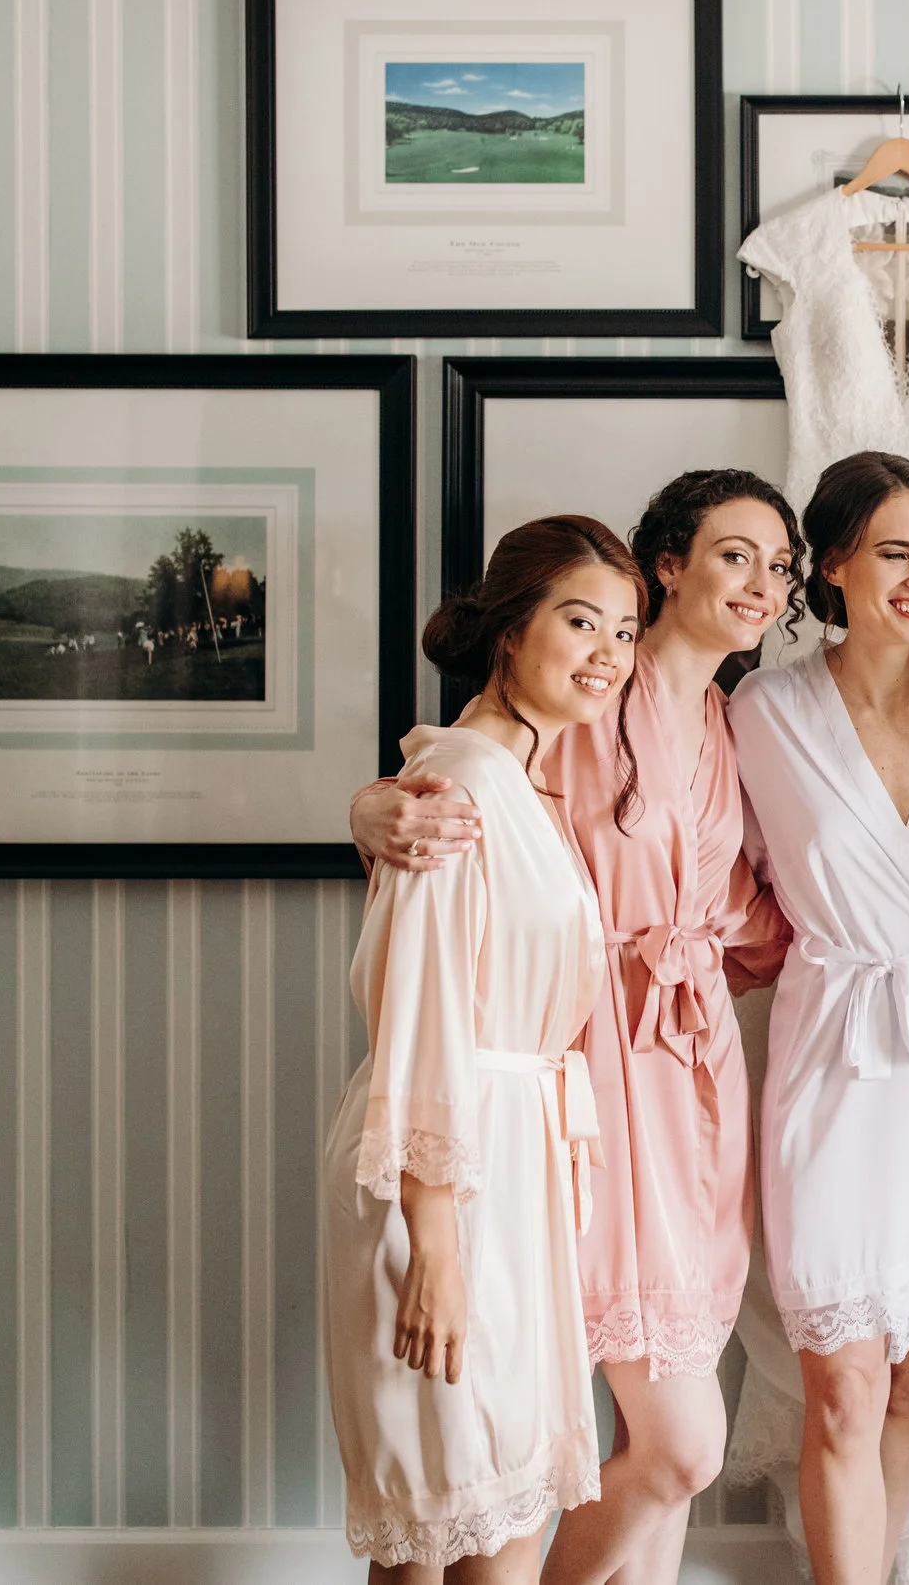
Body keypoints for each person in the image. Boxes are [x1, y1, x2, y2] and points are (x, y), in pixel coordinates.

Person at [350, 473, 803, 1585]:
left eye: (780, 565)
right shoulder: (587, 709)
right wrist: (372, 806)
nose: (762, 583)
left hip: (685, 1079)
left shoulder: (733, 719)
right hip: (574, 1074)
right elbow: (459, 805)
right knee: (633, 1449)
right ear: (668, 563)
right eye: (735, 554)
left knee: (598, 1459)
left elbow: (749, 904)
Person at [320, 515, 646, 1582]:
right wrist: (437, 1246)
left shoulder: (516, 776)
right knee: (457, 1520)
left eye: (625, 631)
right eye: (581, 621)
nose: (607, 651)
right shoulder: (458, 786)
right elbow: (421, 1018)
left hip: (512, 1169)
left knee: (464, 1519)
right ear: (511, 630)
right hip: (449, 1175)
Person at [723, 451, 909, 1585]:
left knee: (906, 1382)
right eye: (895, 551)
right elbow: (676, 831)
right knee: (843, 1385)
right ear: (832, 564)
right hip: (835, 1041)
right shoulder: (763, 710)